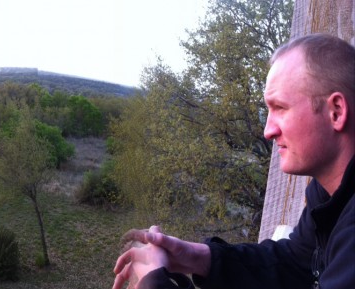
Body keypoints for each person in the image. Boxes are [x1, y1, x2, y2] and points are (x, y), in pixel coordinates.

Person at [112, 33, 355, 289]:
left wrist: (154, 282)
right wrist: (197, 257)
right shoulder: (329, 192)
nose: (268, 130)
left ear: (335, 112)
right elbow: (294, 262)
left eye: (280, 108)